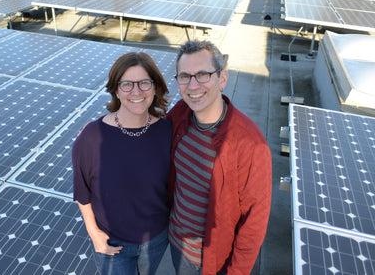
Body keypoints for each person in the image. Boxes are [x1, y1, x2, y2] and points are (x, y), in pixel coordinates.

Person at [167, 40, 272, 275]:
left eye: (203, 74)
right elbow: (150, 136)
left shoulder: (250, 144)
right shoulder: (179, 115)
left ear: (222, 79)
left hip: (210, 261)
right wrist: (110, 130)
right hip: (176, 243)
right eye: (184, 76)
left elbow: (254, 222)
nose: (193, 85)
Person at [72, 52, 172, 275]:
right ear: (116, 90)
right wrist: (93, 233)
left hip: (155, 240)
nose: (136, 91)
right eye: (127, 84)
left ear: (155, 87)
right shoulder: (92, 137)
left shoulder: (168, 132)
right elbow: (82, 190)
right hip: (111, 243)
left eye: (144, 83)